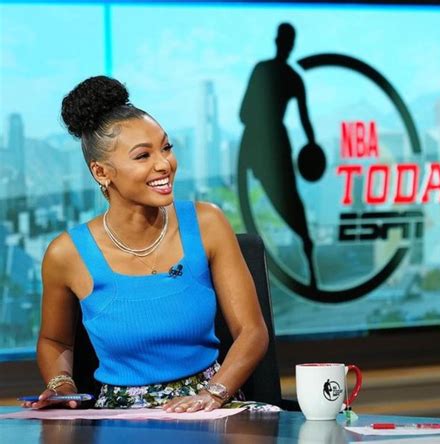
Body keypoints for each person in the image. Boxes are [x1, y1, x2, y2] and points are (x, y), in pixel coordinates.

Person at [22, 75, 273, 412]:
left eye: (166, 148)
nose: (164, 164)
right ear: (101, 172)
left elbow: (252, 332)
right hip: (120, 415)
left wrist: (212, 395)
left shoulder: (207, 223)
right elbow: (54, 341)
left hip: (211, 403)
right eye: (143, 156)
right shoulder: (66, 254)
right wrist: (61, 384)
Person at [239, 23, 317, 288]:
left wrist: (313, 145)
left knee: (289, 202)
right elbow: (245, 113)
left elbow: (244, 113)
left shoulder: (277, 73)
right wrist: (312, 145)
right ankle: (308, 251)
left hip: (271, 145)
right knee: (287, 201)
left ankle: (308, 253)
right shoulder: (286, 75)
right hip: (267, 145)